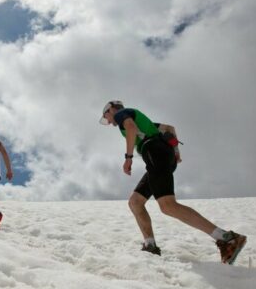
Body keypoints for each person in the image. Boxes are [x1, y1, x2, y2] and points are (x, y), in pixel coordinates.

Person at [100, 100, 247, 264]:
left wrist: (128, 158)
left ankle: (227, 238)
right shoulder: (141, 121)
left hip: (154, 152)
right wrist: (176, 152)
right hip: (160, 155)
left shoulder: (121, 114)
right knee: (135, 202)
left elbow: (131, 128)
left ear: (111, 109)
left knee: (168, 205)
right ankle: (150, 246)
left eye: (106, 117)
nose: (109, 122)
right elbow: (169, 128)